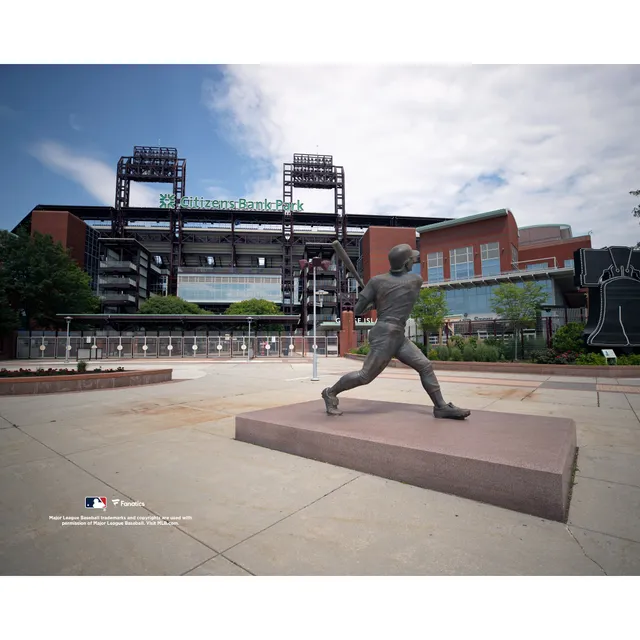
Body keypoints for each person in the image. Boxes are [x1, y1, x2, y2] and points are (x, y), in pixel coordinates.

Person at [322, 244, 471, 420]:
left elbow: (358, 309)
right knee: (365, 376)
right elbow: (394, 297)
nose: (413, 262)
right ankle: (330, 393)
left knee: (425, 365)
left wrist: (372, 299)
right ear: (406, 263)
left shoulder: (377, 282)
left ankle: (441, 407)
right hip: (385, 334)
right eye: (411, 260)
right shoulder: (415, 280)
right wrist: (378, 300)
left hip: (396, 334)